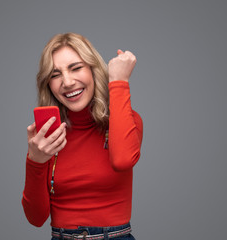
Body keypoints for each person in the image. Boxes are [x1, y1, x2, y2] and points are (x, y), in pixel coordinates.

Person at [22, 32, 143, 240]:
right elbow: (36, 217)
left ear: (93, 70)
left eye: (76, 68)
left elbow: (122, 160)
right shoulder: (49, 136)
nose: (67, 82)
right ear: (48, 84)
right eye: (55, 74)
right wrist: (35, 160)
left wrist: (119, 81)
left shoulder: (125, 121)